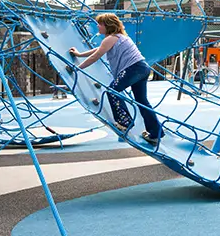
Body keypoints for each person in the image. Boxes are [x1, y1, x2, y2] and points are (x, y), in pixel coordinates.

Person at [69, 13, 162, 147]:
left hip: (133, 68)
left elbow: (96, 56)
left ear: (107, 25)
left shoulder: (111, 38)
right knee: (142, 101)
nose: (97, 26)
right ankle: (155, 133)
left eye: (100, 24)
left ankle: (125, 122)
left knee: (112, 91)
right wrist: (79, 54)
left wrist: (77, 68)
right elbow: (98, 50)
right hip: (142, 68)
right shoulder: (118, 37)